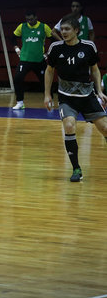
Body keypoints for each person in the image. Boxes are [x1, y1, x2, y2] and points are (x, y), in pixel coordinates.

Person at [43, 14, 107, 182]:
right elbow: (50, 71)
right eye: (62, 29)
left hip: (87, 95)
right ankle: (76, 169)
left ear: (76, 31)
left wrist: (100, 91)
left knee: (105, 128)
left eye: (67, 29)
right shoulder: (56, 48)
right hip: (66, 97)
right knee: (70, 126)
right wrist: (47, 94)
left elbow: (95, 69)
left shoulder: (88, 46)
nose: (63, 32)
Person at [11, 10, 59, 109]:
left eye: (31, 19)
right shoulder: (22, 26)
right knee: (17, 78)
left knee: (46, 81)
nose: (29, 21)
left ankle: (50, 100)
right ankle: (20, 102)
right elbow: (12, 38)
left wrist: (47, 53)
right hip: (24, 59)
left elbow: (53, 40)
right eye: (27, 19)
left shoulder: (44, 27)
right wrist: (16, 48)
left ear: (36, 17)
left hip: (39, 60)